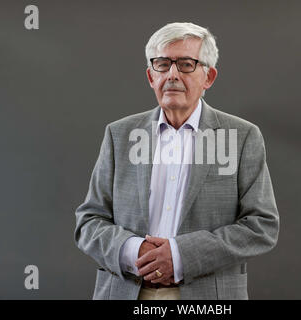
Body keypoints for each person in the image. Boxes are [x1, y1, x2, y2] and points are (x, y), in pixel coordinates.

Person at [74, 22, 279, 300]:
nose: (172, 75)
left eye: (185, 64)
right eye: (162, 64)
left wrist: (182, 255)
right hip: (126, 291)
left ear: (209, 77)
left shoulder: (242, 137)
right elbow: (89, 221)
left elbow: (261, 225)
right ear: (150, 75)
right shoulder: (119, 135)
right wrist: (135, 250)